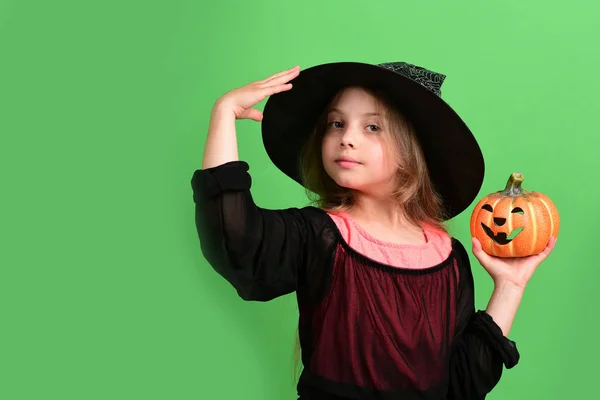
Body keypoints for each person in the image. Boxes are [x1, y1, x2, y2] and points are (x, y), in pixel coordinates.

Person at [190, 61, 557, 400]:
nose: (347, 138)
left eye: (372, 127)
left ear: (411, 152)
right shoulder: (317, 234)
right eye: (336, 123)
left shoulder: (450, 257)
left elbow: (462, 384)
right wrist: (223, 115)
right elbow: (234, 239)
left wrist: (510, 286)